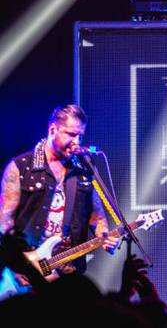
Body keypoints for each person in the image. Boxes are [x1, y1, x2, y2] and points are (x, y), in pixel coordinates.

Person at [1, 105, 120, 285]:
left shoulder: (84, 169)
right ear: (52, 130)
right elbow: (4, 224)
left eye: (80, 136)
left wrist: (105, 236)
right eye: (71, 134)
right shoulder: (21, 167)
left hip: (69, 272)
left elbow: (96, 216)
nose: (76, 142)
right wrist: (15, 265)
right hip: (26, 270)